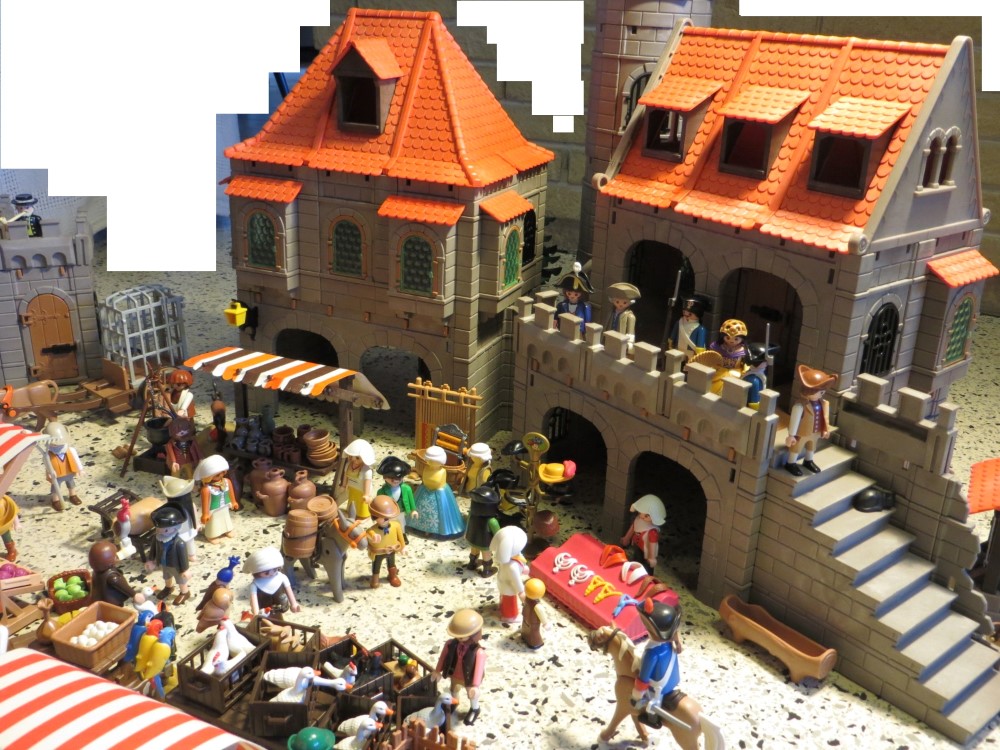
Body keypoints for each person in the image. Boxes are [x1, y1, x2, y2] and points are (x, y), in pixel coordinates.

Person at [630, 598, 685, 730]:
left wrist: (636, 696)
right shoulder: (669, 644)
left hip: (659, 687)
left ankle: (652, 718)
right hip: (672, 679)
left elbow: (643, 679)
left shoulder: (651, 653)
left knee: (650, 703)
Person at [431, 609, 486, 726]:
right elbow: (443, 657)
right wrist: (437, 670)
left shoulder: (478, 652)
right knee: (453, 689)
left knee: (471, 694)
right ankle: (455, 702)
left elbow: (478, 669)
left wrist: (475, 686)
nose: (459, 638)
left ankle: (475, 708)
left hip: (469, 678)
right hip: (454, 674)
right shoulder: (450, 644)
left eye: (462, 636)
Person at [785, 365, 836, 476]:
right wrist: (791, 435)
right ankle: (791, 463)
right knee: (796, 448)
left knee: (811, 447)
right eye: (819, 391)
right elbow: (794, 420)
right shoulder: (800, 406)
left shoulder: (822, 403)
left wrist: (825, 429)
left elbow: (824, 417)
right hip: (802, 432)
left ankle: (809, 460)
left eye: (823, 391)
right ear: (808, 391)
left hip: (815, 431)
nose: (822, 393)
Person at [409, 445, 465, 540]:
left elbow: (439, 482)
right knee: (421, 510)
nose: (431, 462)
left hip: (439, 493)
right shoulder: (426, 468)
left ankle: (436, 530)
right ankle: (420, 526)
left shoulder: (442, 471)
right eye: (429, 460)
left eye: (434, 461)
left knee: (440, 513)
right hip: (425, 490)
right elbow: (425, 479)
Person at [145, 505, 192, 605]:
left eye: (165, 529)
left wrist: (185, 569)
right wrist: (151, 560)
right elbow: (153, 549)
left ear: (176, 528)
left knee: (180, 580)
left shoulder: (179, 543)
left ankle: (185, 592)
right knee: (166, 576)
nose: (160, 531)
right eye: (158, 528)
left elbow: (183, 557)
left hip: (176, 566)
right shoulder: (157, 538)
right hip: (164, 563)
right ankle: (168, 587)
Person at [38, 422, 83, 511]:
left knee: (71, 484)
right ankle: (55, 500)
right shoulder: (47, 455)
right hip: (56, 475)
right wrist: (49, 472)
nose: (58, 446)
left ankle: (73, 495)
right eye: (54, 444)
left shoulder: (70, 450)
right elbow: (47, 464)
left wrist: (80, 469)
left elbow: (76, 459)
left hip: (69, 471)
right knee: (55, 488)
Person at [194, 454, 239, 543]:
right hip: (213, 510)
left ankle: (227, 530)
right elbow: (205, 503)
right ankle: (212, 535)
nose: (221, 475)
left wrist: (234, 502)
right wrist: (205, 514)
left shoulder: (227, 482)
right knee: (214, 522)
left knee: (226, 519)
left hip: (225, 506)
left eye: (222, 472)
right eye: (217, 474)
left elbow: (231, 493)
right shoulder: (207, 489)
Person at [245, 546, 300, 617]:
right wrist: (256, 614)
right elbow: (254, 600)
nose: (271, 573)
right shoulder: (255, 584)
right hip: (263, 611)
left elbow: (289, 591)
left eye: (274, 570)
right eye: (266, 572)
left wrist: (294, 604)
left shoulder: (282, 577)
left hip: (280, 607)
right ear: (257, 572)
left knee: (279, 619)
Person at [365, 495, 406, 588]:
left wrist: (402, 547)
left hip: (392, 550)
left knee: (392, 564)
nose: (385, 520)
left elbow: (401, 537)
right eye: (382, 517)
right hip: (378, 553)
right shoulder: (372, 530)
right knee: (376, 566)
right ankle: (375, 579)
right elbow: (368, 534)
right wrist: (373, 536)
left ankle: (392, 576)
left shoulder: (396, 525)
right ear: (374, 517)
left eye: (387, 517)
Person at [491, 526, 528, 624]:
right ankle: (509, 617)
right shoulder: (512, 566)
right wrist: (521, 591)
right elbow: (516, 581)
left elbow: (521, 561)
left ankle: (502, 606)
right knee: (509, 602)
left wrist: (523, 568)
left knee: (504, 598)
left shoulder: (515, 556)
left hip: (503, 581)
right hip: (508, 587)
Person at [376, 455, 417, 541]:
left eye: (399, 478)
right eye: (391, 478)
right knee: (389, 524)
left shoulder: (407, 489)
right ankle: (391, 537)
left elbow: (411, 500)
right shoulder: (382, 491)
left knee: (402, 524)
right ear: (384, 477)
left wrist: (413, 510)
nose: (395, 480)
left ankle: (402, 535)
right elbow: (378, 504)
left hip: (401, 511)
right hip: (389, 513)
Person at [464, 485, 502, 577]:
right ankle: (487, 570)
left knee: (474, 551)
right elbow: (498, 534)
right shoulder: (492, 521)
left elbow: (467, 525)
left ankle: (471, 564)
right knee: (486, 555)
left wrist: (466, 535)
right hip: (485, 543)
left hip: (472, 539)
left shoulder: (471, 515)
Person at [621, 494, 666, 570]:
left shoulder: (652, 531)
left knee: (646, 567)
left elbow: (653, 545)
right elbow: (633, 528)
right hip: (637, 545)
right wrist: (627, 538)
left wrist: (652, 557)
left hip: (646, 551)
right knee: (636, 559)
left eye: (646, 515)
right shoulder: (638, 520)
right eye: (640, 513)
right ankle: (634, 569)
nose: (642, 516)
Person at [340, 439, 375, 520]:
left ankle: (362, 516)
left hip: (362, 490)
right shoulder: (348, 465)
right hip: (352, 488)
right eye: (351, 456)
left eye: (357, 458)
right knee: (352, 501)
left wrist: (366, 495)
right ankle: (352, 513)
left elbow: (367, 483)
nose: (353, 460)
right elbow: (345, 476)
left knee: (362, 504)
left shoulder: (366, 471)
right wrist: (343, 485)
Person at [556, 261, 595, 334]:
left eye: (576, 294)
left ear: (581, 294)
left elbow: (587, 323)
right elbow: (556, 319)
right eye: (569, 293)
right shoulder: (561, 305)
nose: (572, 296)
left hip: (578, 333)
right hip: (564, 332)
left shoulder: (585, 307)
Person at [605, 282, 641, 350]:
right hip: (610, 338)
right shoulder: (611, 313)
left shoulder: (630, 317)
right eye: (617, 302)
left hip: (620, 342)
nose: (620, 304)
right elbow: (607, 326)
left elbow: (630, 333)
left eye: (624, 302)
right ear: (612, 301)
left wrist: (629, 345)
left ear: (630, 302)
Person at [520, 578, 551, 649]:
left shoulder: (526, 598)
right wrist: (545, 623)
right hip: (533, 621)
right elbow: (541, 613)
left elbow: (521, 597)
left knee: (525, 626)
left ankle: (524, 635)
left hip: (525, 615)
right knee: (534, 632)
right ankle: (535, 643)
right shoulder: (537, 606)